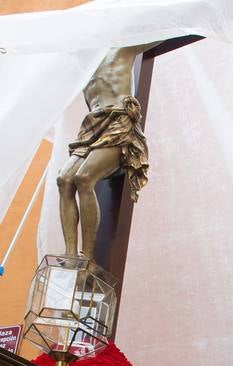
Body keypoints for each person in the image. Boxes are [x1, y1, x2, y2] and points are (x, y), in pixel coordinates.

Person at [57, 44, 158, 268]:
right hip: (92, 128)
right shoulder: (84, 72)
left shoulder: (121, 49)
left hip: (117, 125)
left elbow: (165, 28)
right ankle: (71, 255)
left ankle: (88, 259)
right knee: (64, 179)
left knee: (84, 178)